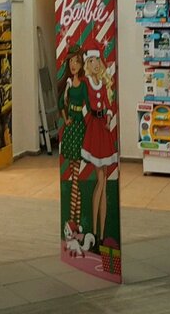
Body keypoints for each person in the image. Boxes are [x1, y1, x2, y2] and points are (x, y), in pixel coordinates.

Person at [80, 48, 117, 246]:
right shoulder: (86, 83)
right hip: (94, 131)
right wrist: (88, 122)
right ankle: (94, 230)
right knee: (101, 180)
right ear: (87, 63)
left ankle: (100, 233)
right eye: (91, 60)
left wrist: (109, 118)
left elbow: (108, 105)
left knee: (104, 183)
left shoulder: (102, 84)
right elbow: (84, 105)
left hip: (104, 130)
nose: (95, 64)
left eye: (97, 60)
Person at [58, 47, 88, 227]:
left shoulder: (83, 85)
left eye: (77, 61)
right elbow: (61, 103)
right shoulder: (68, 84)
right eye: (71, 62)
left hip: (79, 129)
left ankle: (72, 219)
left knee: (76, 177)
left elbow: (89, 105)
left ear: (81, 64)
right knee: (74, 175)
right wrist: (65, 118)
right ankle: (75, 221)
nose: (73, 65)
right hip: (70, 130)